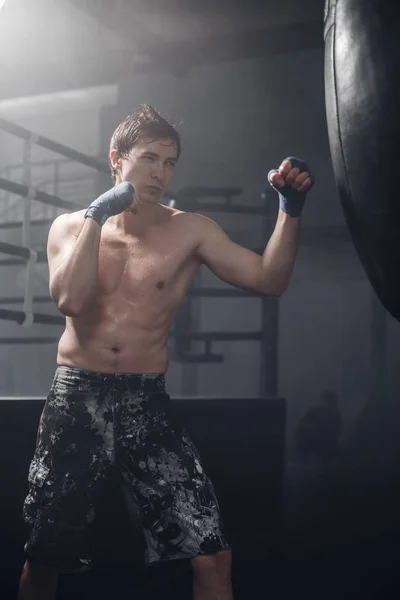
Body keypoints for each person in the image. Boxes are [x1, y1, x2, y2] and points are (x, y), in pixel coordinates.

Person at [18, 105, 314, 600]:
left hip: (145, 401)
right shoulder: (69, 228)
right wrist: (97, 216)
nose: (160, 172)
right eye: (149, 158)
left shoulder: (190, 229)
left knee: (213, 554)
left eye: (170, 162)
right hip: (76, 400)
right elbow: (70, 300)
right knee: (46, 555)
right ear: (116, 159)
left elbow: (271, 280)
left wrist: (290, 210)